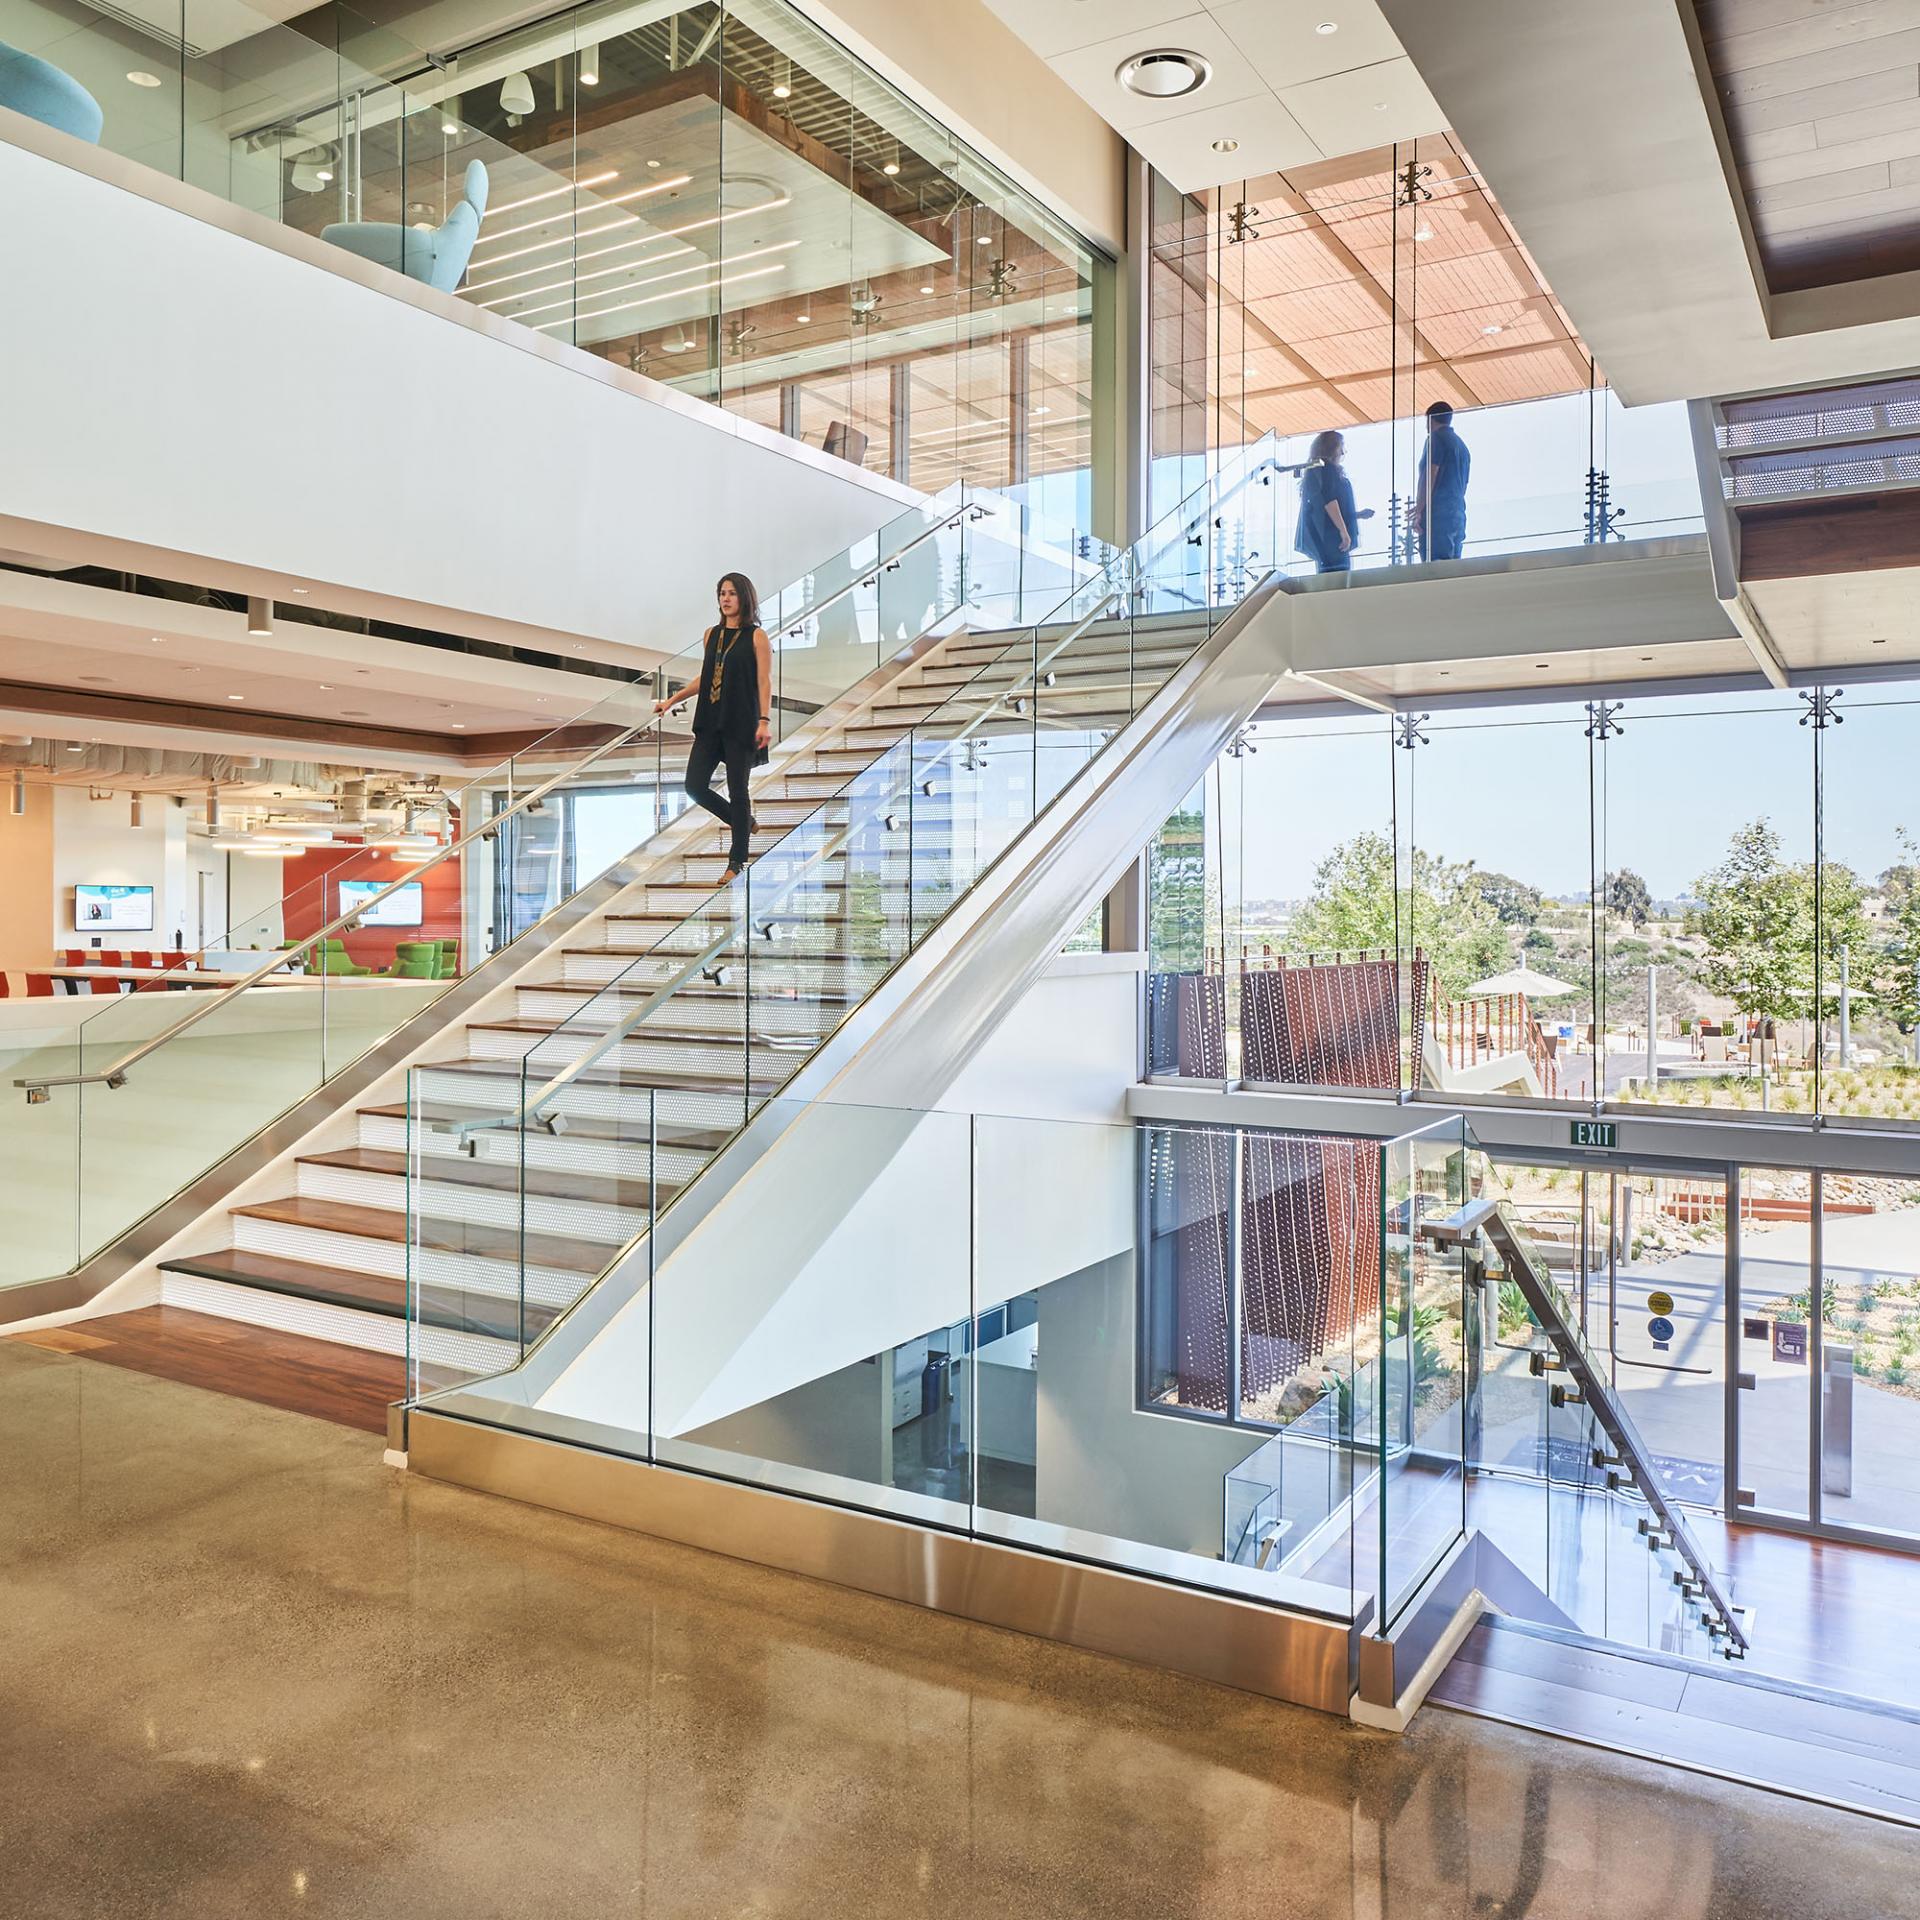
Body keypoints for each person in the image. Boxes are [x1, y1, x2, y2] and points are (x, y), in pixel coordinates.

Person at [655, 572, 772, 881]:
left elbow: (763, 681)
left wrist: (764, 720)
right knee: (694, 785)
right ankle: (744, 822)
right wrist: (672, 699)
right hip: (710, 720)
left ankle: (737, 861)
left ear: (744, 597)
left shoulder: (756, 636)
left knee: (738, 789)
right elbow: (706, 676)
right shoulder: (711, 635)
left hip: (741, 722)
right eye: (722, 593)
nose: (725, 598)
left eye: (732, 593)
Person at [1413, 399, 1470, 561]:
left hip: (1438, 514)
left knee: (1434, 567)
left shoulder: (1436, 439)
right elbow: (1464, 485)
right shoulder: (1462, 447)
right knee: (1452, 567)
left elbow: (1430, 474)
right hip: (1458, 513)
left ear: (1431, 419)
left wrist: (1419, 508)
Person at [1295, 430, 1359, 574]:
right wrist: (1343, 531)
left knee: (1329, 577)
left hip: (1325, 539)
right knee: (1339, 578)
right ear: (1332, 448)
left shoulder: (1316, 472)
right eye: (1341, 446)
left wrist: (1357, 515)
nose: (1343, 452)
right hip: (1332, 539)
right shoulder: (1326, 470)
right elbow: (1329, 501)